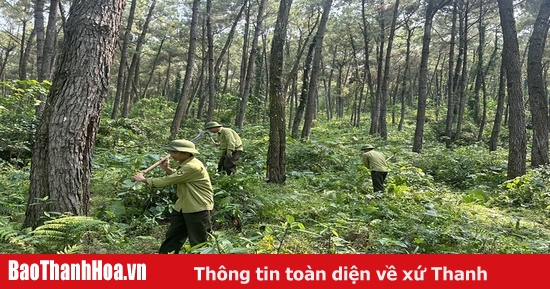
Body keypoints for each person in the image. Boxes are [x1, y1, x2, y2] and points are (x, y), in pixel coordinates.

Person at [132, 139, 214, 254]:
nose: (171, 155)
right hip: (182, 206)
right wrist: (166, 168)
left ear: (186, 154)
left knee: (199, 242)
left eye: (174, 152)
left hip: (198, 207)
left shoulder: (192, 166)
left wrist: (144, 179)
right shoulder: (186, 164)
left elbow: (166, 181)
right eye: (170, 152)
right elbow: (178, 176)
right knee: (173, 237)